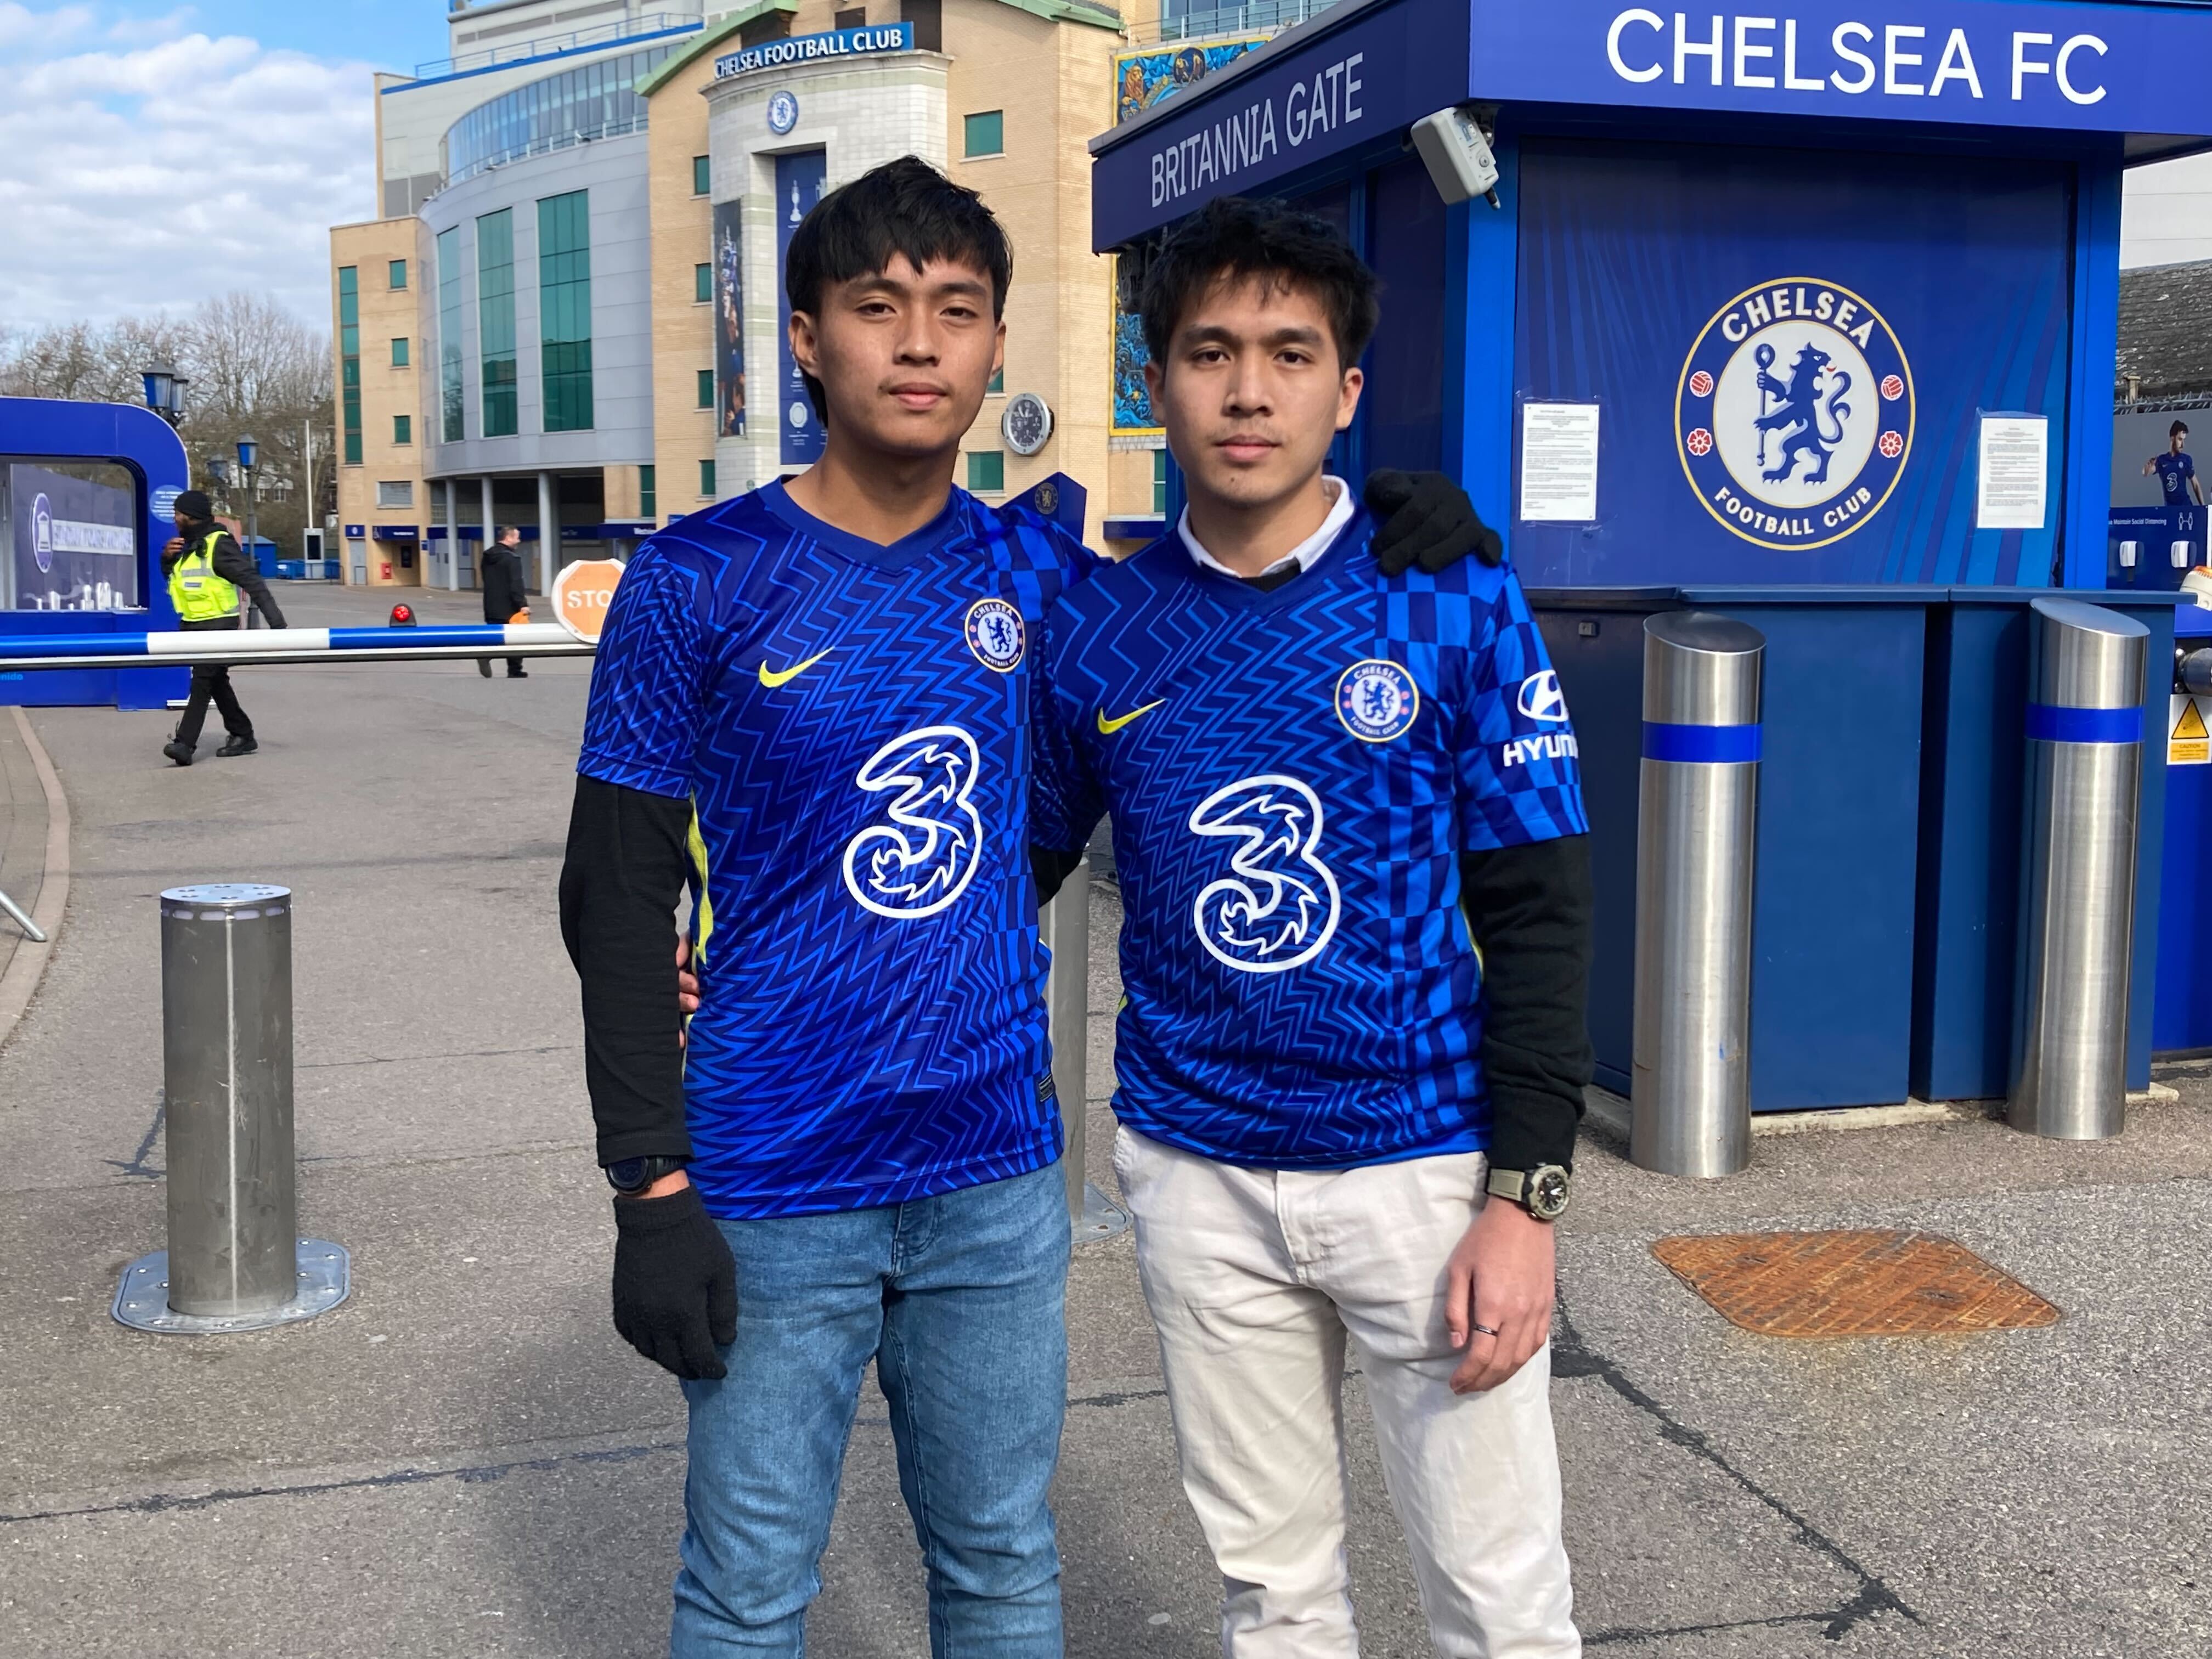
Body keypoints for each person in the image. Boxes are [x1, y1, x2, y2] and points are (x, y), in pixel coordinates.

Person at [563, 156, 1497, 1658]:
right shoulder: (696, 579)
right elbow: (613, 891)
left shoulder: (1054, 577)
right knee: (745, 1587)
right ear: (806, 337)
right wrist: (648, 1184)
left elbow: (1233, 597)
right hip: (771, 1167)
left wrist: (1395, 523)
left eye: (957, 310)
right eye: (877, 309)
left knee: (1000, 1562)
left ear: (999, 345)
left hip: (995, 1176)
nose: (919, 344)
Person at [1030, 196, 1593, 1657]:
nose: (1248, 389)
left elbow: (1537, 910)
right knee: (1274, 1600)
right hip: (1197, 1172)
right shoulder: (1104, 626)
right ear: (1155, 383)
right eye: (1210, 352)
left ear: (1346, 391)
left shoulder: (1448, 591)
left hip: (1419, 1171)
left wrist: (1523, 1203)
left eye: (1291, 353)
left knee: (1497, 1598)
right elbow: (1004, 865)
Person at [161, 490, 285, 766]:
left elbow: (252, 580)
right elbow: (175, 582)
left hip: (219, 625)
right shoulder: (186, 544)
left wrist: (277, 624)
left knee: (202, 681)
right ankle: (242, 734)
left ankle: (184, 744)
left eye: (178, 514)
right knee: (216, 681)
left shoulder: (219, 544)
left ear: (190, 517)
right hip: (192, 625)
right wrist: (167, 559)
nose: (175, 518)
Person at [477, 524, 531, 679]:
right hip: (510, 606)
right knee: (516, 638)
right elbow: (516, 584)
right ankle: (515, 670)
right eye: (517, 537)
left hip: (491, 604)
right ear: (508, 538)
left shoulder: (487, 557)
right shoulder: (512, 559)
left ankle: (486, 654)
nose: (519, 540)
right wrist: (522, 604)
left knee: (495, 634)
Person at [2145, 420, 2206, 509]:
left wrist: (2203, 507)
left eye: (2184, 440)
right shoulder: (2162, 460)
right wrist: (2147, 468)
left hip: (2186, 508)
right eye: (2180, 440)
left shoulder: (2186, 460)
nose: (2183, 444)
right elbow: (2147, 472)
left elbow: (2195, 484)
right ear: (2172, 438)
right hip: (2170, 510)